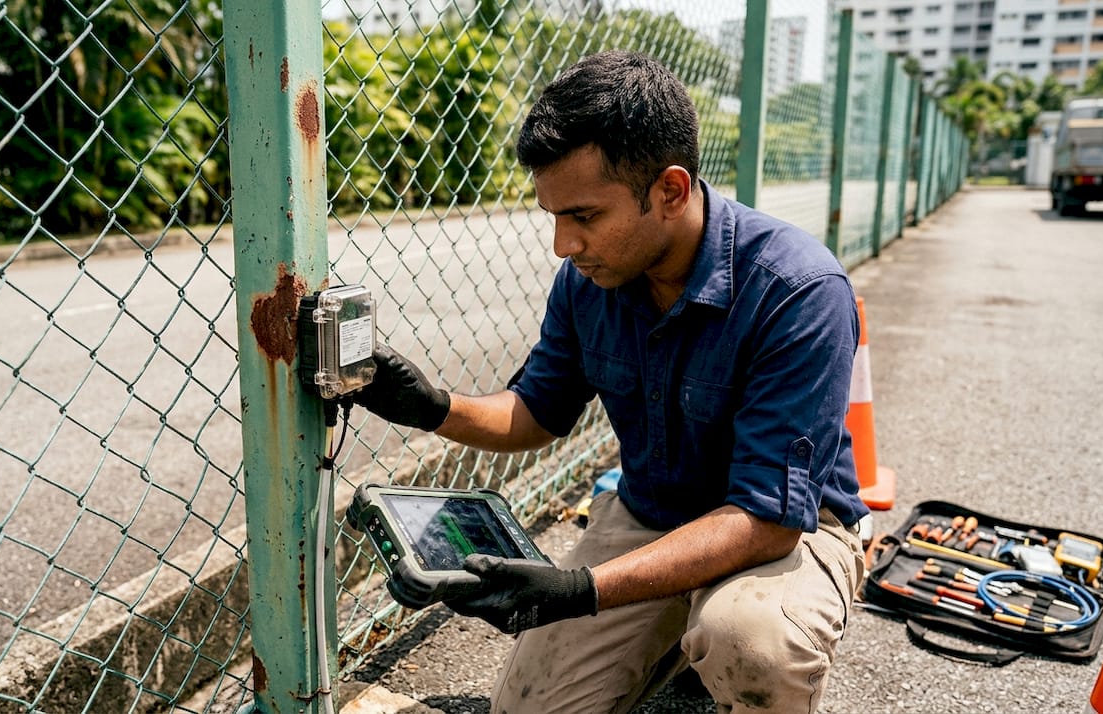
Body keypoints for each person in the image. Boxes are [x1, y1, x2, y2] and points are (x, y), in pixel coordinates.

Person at [353, 50, 868, 714]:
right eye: (553, 216)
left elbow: (767, 521)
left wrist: (581, 589)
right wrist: (431, 406)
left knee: (751, 644)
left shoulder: (796, 290)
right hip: (651, 514)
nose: (563, 245)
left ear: (670, 191)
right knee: (529, 709)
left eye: (585, 216)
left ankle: (712, 629)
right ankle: (678, 632)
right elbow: (537, 410)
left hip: (787, 531)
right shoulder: (589, 281)